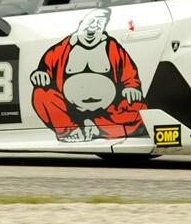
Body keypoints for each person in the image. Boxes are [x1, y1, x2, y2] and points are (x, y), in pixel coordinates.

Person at [30, 8, 146, 142]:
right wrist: (40, 75)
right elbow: (45, 69)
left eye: (99, 23)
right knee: (41, 95)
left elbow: (128, 72)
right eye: (91, 22)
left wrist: (131, 87)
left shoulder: (112, 47)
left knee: (139, 107)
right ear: (81, 24)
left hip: (108, 110)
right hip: (68, 109)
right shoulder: (62, 48)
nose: (94, 26)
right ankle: (70, 131)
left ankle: (97, 128)